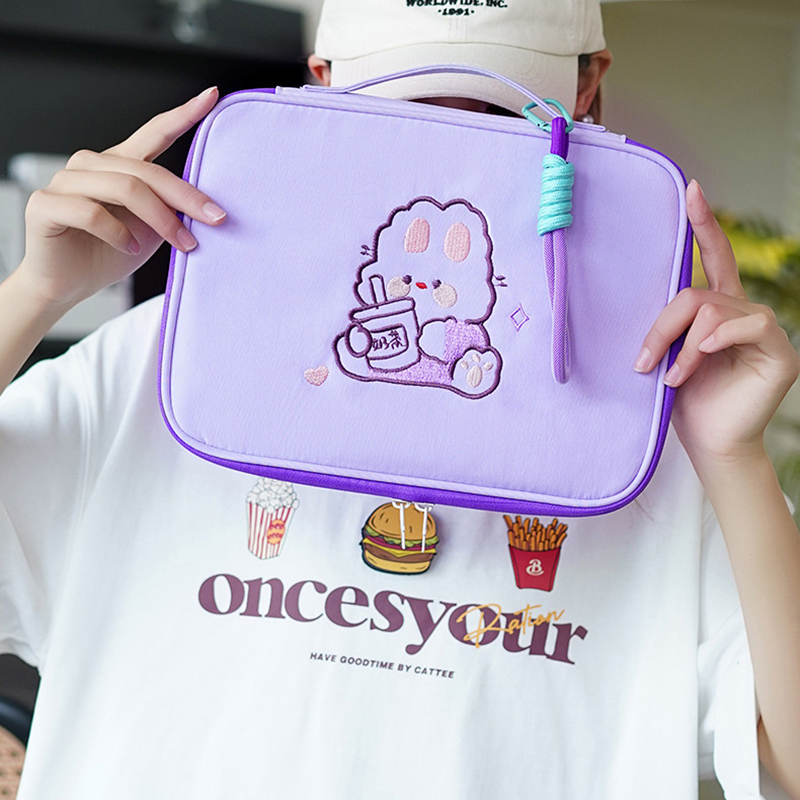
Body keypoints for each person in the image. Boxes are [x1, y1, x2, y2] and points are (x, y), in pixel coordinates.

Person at [0, 0, 798, 797]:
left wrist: (735, 461)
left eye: (498, 114)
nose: (447, 146)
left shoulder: (660, 421)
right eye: (401, 111)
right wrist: (32, 296)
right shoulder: (157, 363)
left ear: (589, 87)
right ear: (320, 82)